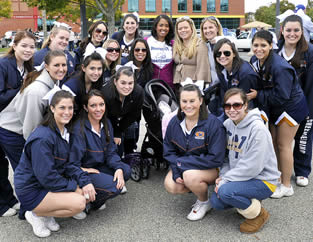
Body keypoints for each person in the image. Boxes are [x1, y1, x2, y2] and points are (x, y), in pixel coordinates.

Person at [14, 90, 95, 238]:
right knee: (79, 203)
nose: (67, 112)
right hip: (32, 188)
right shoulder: (43, 138)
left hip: (45, 183)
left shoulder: (64, 131)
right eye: (62, 108)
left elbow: (68, 164)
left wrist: (84, 181)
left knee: (85, 194)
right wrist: (73, 187)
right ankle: (35, 214)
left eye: (70, 108)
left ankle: (46, 213)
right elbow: (47, 177)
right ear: (52, 108)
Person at [210, 88, 280, 233]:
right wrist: (223, 175)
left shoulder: (258, 129)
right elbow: (225, 158)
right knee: (216, 202)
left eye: (237, 105)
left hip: (264, 180)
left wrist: (226, 180)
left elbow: (253, 167)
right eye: (227, 106)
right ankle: (249, 201)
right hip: (242, 177)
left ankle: (259, 215)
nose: (232, 110)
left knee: (225, 192)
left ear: (246, 105)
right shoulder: (228, 125)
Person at [248, 30, 309, 198]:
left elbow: (283, 95)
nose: (259, 49)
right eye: (256, 45)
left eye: (263, 45)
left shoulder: (280, 67)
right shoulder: (255, 60)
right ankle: (277, 178)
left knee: (284, 145)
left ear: (271, 46)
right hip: (276, 107)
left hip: (291, 107)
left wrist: (257, 95)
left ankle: (287, 185)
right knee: (274, 143)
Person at [0, 50, 68, 177]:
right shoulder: (37, 92)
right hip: (12, 132)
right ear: (46, 66)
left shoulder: (54, 81)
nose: (61, 69)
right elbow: (31, 129)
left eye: (64, 65)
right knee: (27, 173)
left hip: (22, 129)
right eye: (56, 65)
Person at [163, 84, 226, 221]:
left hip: (211, 168)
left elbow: (216, 158)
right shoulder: (175, 122)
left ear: (201, 101)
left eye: (192, 101)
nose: (188, 105)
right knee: (171, 185)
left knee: (190, 176)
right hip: (183, 166)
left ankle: (204, 202)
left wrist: (182, 165)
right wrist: (175, 168)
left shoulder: (213, 124)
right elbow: (169, 151)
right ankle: (198, 186)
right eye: (184, 101)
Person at [70, 90, 131, 217]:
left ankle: (95, 197)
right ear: (85, 107)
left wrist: (118, 168)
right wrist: (85, 175)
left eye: (101, 104)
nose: (98, 109)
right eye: (93, 105)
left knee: (125, 171)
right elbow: (72, 165)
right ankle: (87, 201)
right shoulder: (78, 130)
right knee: (116, 187)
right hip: (83, 170)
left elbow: (111, 152)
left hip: (99, 166)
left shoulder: (106, 123)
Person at [0, 30, 36, 217]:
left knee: (7, 165)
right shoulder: (3, 65)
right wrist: (20, 88)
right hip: (3, 124)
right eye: (24, 45)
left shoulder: (28, 68)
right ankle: (5, 204)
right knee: (13, 166)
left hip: (12, 123)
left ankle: (11, 200)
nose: (28, 50)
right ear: (14, 46)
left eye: (31, 46)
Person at [276, 15, 313, 187]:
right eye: (288, 30)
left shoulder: (310, 52)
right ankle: (279, 170)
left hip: (303, 104)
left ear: (302, 32)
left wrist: (308, 110)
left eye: (296, 30)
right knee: (282, 141)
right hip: (280, 105)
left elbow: (310, 85)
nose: (292, 33)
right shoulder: (275, 51)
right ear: (282, 31)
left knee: (303, 138)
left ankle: (302, 170)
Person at [101, 66, 144, 156]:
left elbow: (134, 114)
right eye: (123, 83)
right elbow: (106, 116)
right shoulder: (106, 94)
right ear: (115, 82)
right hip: (110, 117)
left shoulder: (138, 92)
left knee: (132, 128)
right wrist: (116, 132)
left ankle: (130, 154)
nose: (127, 87)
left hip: (127, 116)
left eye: (130, 83)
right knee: (116, 144)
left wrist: (120, 129)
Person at [212, 38, 259, 117]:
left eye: (226, 53)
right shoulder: (221, 69)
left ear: (234, 54)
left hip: (246, 114)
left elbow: (245, 102)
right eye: (218, 54)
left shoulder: (245, 73)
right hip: (230, 109)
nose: (222, 56)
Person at [173, 16, 211, 95]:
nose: (183, 30)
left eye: (186, 27)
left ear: (191, 29)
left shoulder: (200, 44)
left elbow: (202, 67)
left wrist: (198, 88)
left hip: (193, 86)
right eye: (180, 29)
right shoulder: (177, 45)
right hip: (178, 83)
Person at [62, 52, 104, 117]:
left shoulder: (99, 82)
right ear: (83, 68)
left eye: (99, 69)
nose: (96, 73)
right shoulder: (71, 87)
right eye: (92, 68)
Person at [146, 14, 175, 88]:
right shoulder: (147, 41)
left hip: (169, 86)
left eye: (166, 26)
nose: (164, 28)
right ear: (156, 27)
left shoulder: (173, 44)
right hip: (150, 85)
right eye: (161, 25)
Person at [200, 16, 224, 85]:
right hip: (211, 88)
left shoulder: (225, 44)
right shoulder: (206, 46)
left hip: (223, 86)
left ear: (217, 28)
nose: (207, 31)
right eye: (205, 28)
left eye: (210, 27)